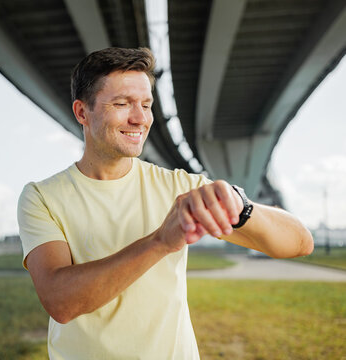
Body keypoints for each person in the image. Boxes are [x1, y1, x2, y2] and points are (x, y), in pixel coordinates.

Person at [17, 47, 313, 359]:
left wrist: (241, 206)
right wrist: (161, 240)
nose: (140, 119)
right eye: (122, 104)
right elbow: (60, 302)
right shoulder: (42, 196)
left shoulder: (182, 187)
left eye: (146, 105)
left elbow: (300, 242)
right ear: (81, 112)